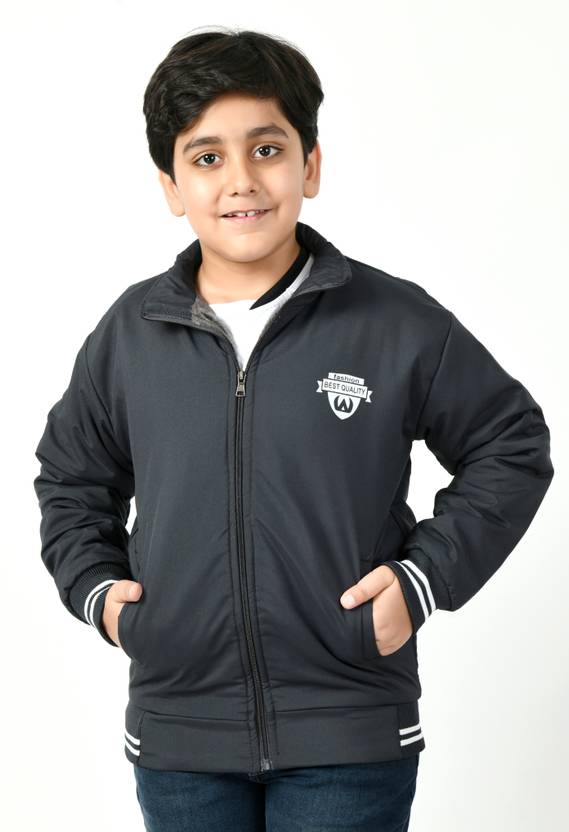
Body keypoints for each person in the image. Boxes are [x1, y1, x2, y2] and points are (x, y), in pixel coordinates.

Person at [33, 26, 554, 832]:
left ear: (310, 165)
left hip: (349, 728)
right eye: (207, 157)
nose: (240, 180)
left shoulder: (393, 322)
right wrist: (103, 598)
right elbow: (72, 479)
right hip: (181, 732)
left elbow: (509, 443)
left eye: (267, 150)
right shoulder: (129, 335)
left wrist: (421, 581)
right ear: (171, 185)